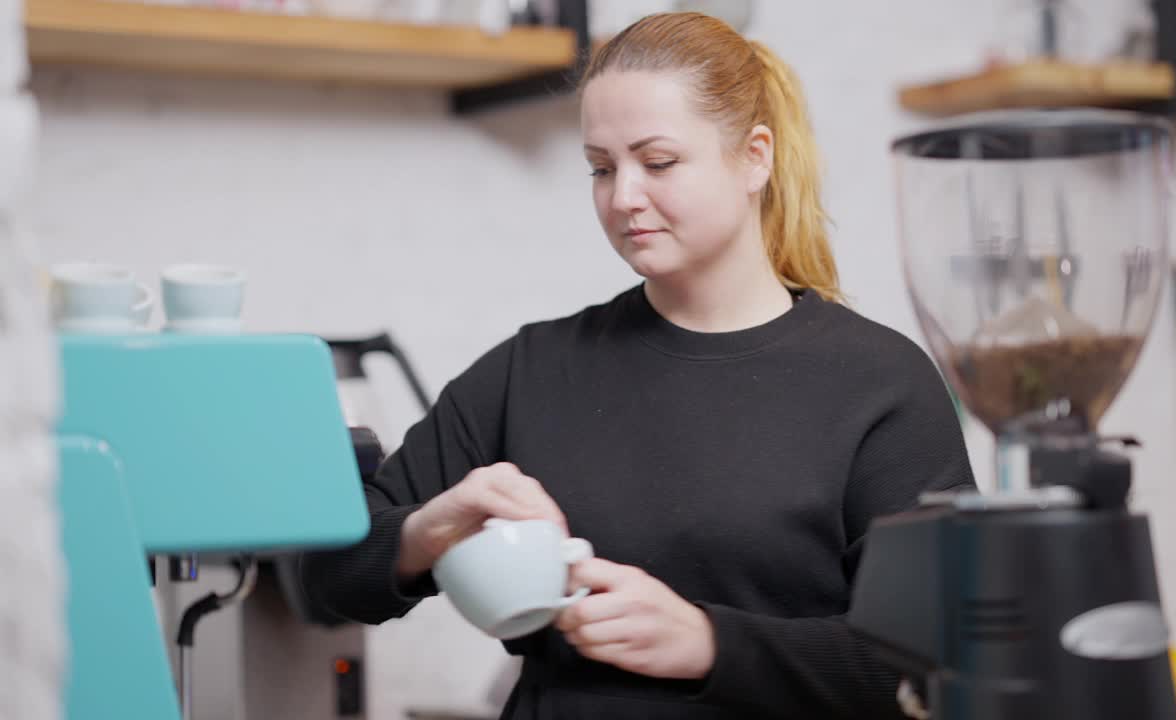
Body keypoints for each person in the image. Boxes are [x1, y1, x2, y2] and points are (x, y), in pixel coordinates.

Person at [301, 11, 974, 720]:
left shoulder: (881, 386)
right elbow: (322, 579)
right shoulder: (530, 371)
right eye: (600, 167)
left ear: (755, 157)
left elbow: (934, 666)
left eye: (658, 163)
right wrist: (427, 531)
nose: (623, 197)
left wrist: (712, 643)